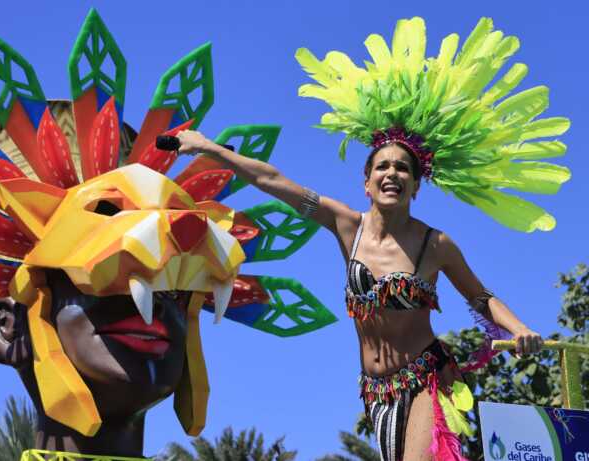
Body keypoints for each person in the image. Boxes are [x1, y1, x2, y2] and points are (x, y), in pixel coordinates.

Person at [174, 16, 569, 461]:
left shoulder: (435, 245)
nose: (392, 174)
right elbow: (271, 179)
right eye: (382, 167)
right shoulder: (345, 225)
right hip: (376, 390)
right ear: (366, 182)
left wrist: (521, 331)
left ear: (417, 186)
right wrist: (210, 149)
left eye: (403, 169)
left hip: (426, 377)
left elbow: (480, 297)